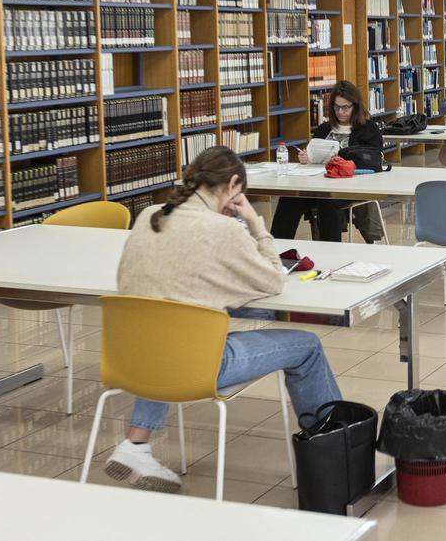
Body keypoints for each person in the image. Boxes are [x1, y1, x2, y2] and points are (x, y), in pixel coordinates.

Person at [106, 146, 342, 493]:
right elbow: (273, 279)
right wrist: (254, 222)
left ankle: (136, 444)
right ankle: (334, 450)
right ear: (233, 184)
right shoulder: (223, 230)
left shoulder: (150, 214)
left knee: (165, 328)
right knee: (307, 346)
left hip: (133, 356)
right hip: (194, 365)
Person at [270, 80, 383, 243]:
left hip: (350, 185)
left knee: (327, 201)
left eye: (346, 107)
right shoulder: (324, 128)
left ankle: (331, 250)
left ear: (355, 106)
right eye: (337, 107)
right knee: (289, 198)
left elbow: (373, 160)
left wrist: (342, 161)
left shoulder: (368, 129)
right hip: (320, 183)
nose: (341, 112)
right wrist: (306, 158)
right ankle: (276, 250)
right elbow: (315, 152)